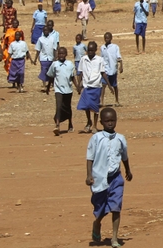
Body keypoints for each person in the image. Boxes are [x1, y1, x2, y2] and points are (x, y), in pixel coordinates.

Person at [86, 108, 132, 248]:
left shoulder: (120, 139)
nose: (110, 123)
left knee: (116, 207)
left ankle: (114, 238)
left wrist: (128, 170)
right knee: (101, 209)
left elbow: (124, 156)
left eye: (112, 120)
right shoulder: (96, 138)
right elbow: (90, 158)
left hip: (116, 178)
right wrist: (89, 175)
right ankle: (97, 223)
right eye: (107, 121)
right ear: (101, 122)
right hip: (100, 178)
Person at [77, 41, 113, 133]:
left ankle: (95, 126)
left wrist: (109, 85)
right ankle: (88, 120)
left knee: (95, 107)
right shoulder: (83, 59)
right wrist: (78, 85)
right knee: (86, 106)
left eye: (92, 50)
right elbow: (80, 73)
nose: (90, 52)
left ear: (95, 50)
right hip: (86, 86)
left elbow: (103, 73)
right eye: (88, 50)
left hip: (96, 86)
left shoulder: (99, 60)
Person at [45, 46, 76, 135]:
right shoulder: (55, 64)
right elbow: (51, 76)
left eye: (63, 53)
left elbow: (72, 77)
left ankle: (70, 123)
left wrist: (77, 86)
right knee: (58, 106)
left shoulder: (70, 64)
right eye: (59, 54)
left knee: (67, 107)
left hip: (68, 89)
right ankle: (57, 125)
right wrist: (48, 88)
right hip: (58, 89)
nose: (61, 55)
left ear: (66, 54)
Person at [99, 33, 122, 107]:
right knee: (103, 85)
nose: (106, 39)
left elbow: (119, 57)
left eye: (108, 38)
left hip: (113, 69)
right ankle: (101, 101)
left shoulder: (115, 47)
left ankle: (117, 100)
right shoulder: (102, 48)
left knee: (114, 85)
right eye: (105, 38)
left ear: (111, 38)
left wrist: (121, 66)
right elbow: (101, 58)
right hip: (105, 69)